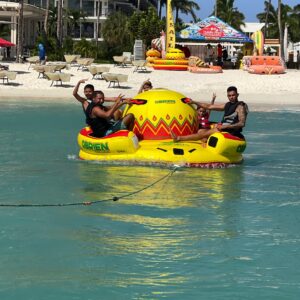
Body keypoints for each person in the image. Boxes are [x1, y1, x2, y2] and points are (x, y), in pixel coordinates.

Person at [171, 86, 248, 142]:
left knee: (203, 134)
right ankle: (178, 138)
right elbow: (209, 106)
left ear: (237, 95)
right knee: (203, 134)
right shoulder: (227, 105)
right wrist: (194, 102)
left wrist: (225, 126)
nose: (231, 97)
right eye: (229, 95)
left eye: (233, 95)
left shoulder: (240, 106)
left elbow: (242, 123)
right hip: (223, 128)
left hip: (232, 131)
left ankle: (178, 138)